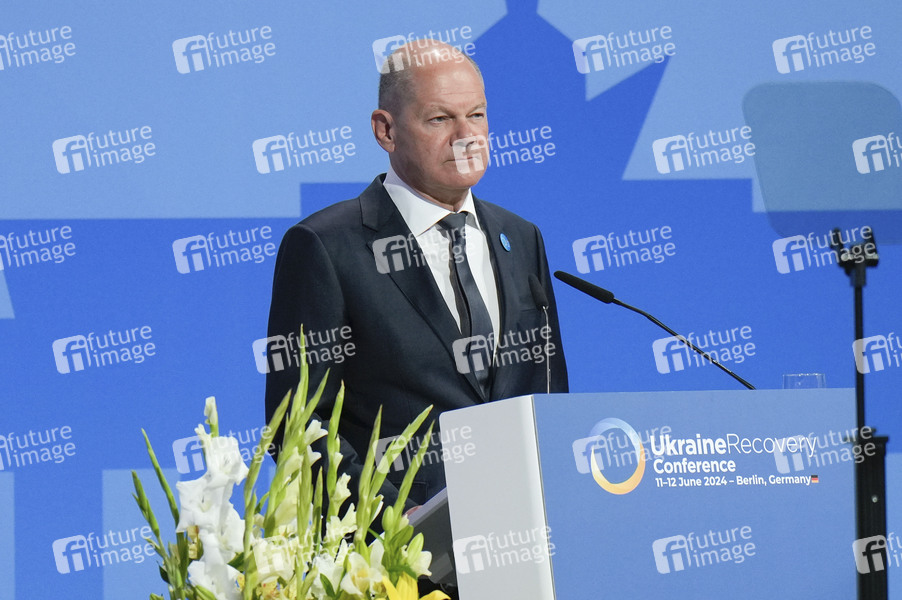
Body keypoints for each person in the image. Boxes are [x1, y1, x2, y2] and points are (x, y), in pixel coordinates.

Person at [265, 39, 568, 515]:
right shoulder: (326, 246)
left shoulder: (520, 237)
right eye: (440, 119)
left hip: (519, 528)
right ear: (385, 131)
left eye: (477, 115)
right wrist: (397, 522)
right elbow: (297, 426)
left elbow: (548, 396)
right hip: (393, 547)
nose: (466, 137)